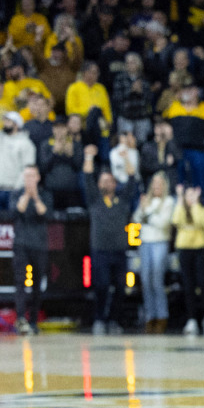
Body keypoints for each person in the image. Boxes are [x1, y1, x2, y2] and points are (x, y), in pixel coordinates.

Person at [83, 144, 138, 335]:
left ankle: (114, 320)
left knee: (121, 288)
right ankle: (99, 319)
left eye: (110, 180)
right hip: (100, 250)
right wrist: (89, 157)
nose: (107, 184)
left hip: (119, 251)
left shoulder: (122, 200)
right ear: (99, 184)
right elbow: (87, 177)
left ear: (115, 184)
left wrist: (126, 159)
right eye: (103, 181)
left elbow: (132, 179)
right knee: (102, 286)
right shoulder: (94, 199)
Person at [10, 165, 52, 335]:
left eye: (32, 176)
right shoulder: (16, 194)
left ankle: (33, 320)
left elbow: (45, 214)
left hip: (39, 245)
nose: (29, 179)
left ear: (38, 177)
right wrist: (27, 195)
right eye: (26, 176)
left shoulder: (45, 195)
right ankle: (21, 318)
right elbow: (15, 211)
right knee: (20, 283)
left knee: (37, 285)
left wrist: (35, 197)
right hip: (21, 244)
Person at [132, 172, 175, 333]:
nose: (156, 186)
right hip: (145, 242)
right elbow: (136, 219)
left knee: (157, 279)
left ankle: (162, 315)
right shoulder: (145, 200)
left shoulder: (169, 201)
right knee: (146, 280)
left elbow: (164, 223)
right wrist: (145, 212)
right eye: (154, 183)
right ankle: (150, 315)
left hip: (160, 242)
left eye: (160, 183)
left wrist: (147, 214)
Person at [172, 183, 204, 336]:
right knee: (188, 285)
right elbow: (176, 220)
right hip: (184, 249)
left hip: (201, 249)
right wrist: (179, 199)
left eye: (192, 195)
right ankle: (192, 319)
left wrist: (195, 204)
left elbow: (203, 222)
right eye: (187, 195)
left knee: (203, 283)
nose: (189, 198)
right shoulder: (181, 209)